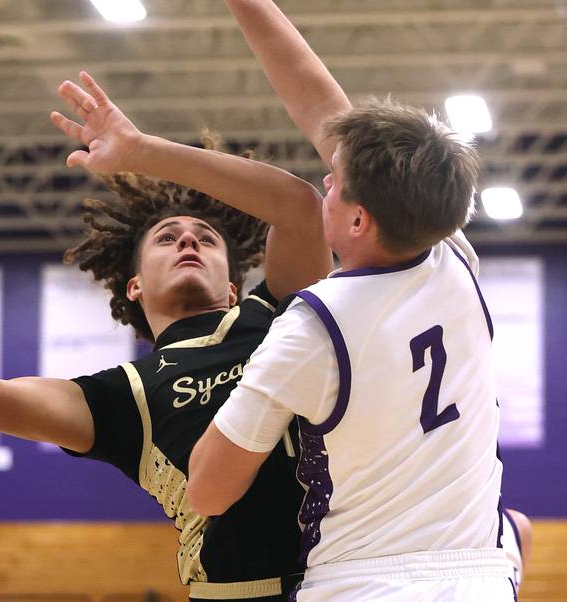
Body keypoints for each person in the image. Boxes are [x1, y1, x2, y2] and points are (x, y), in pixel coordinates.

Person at [0, 74, 332, 599]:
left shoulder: (279, 314)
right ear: (135, 285)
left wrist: (142, 151)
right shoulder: (123, 397)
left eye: (206, 239)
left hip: (345, 576)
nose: (188, 237)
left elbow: (302, 208)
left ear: (235, 285)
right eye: (167, 238)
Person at [187, 1, 527, 599]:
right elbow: (321, 106)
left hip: (360, 585)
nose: (324, 181)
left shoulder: (313, 326)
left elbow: (208, 491)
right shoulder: (453, 256)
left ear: (359, 220)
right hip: (480, 579)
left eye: (335, 185)